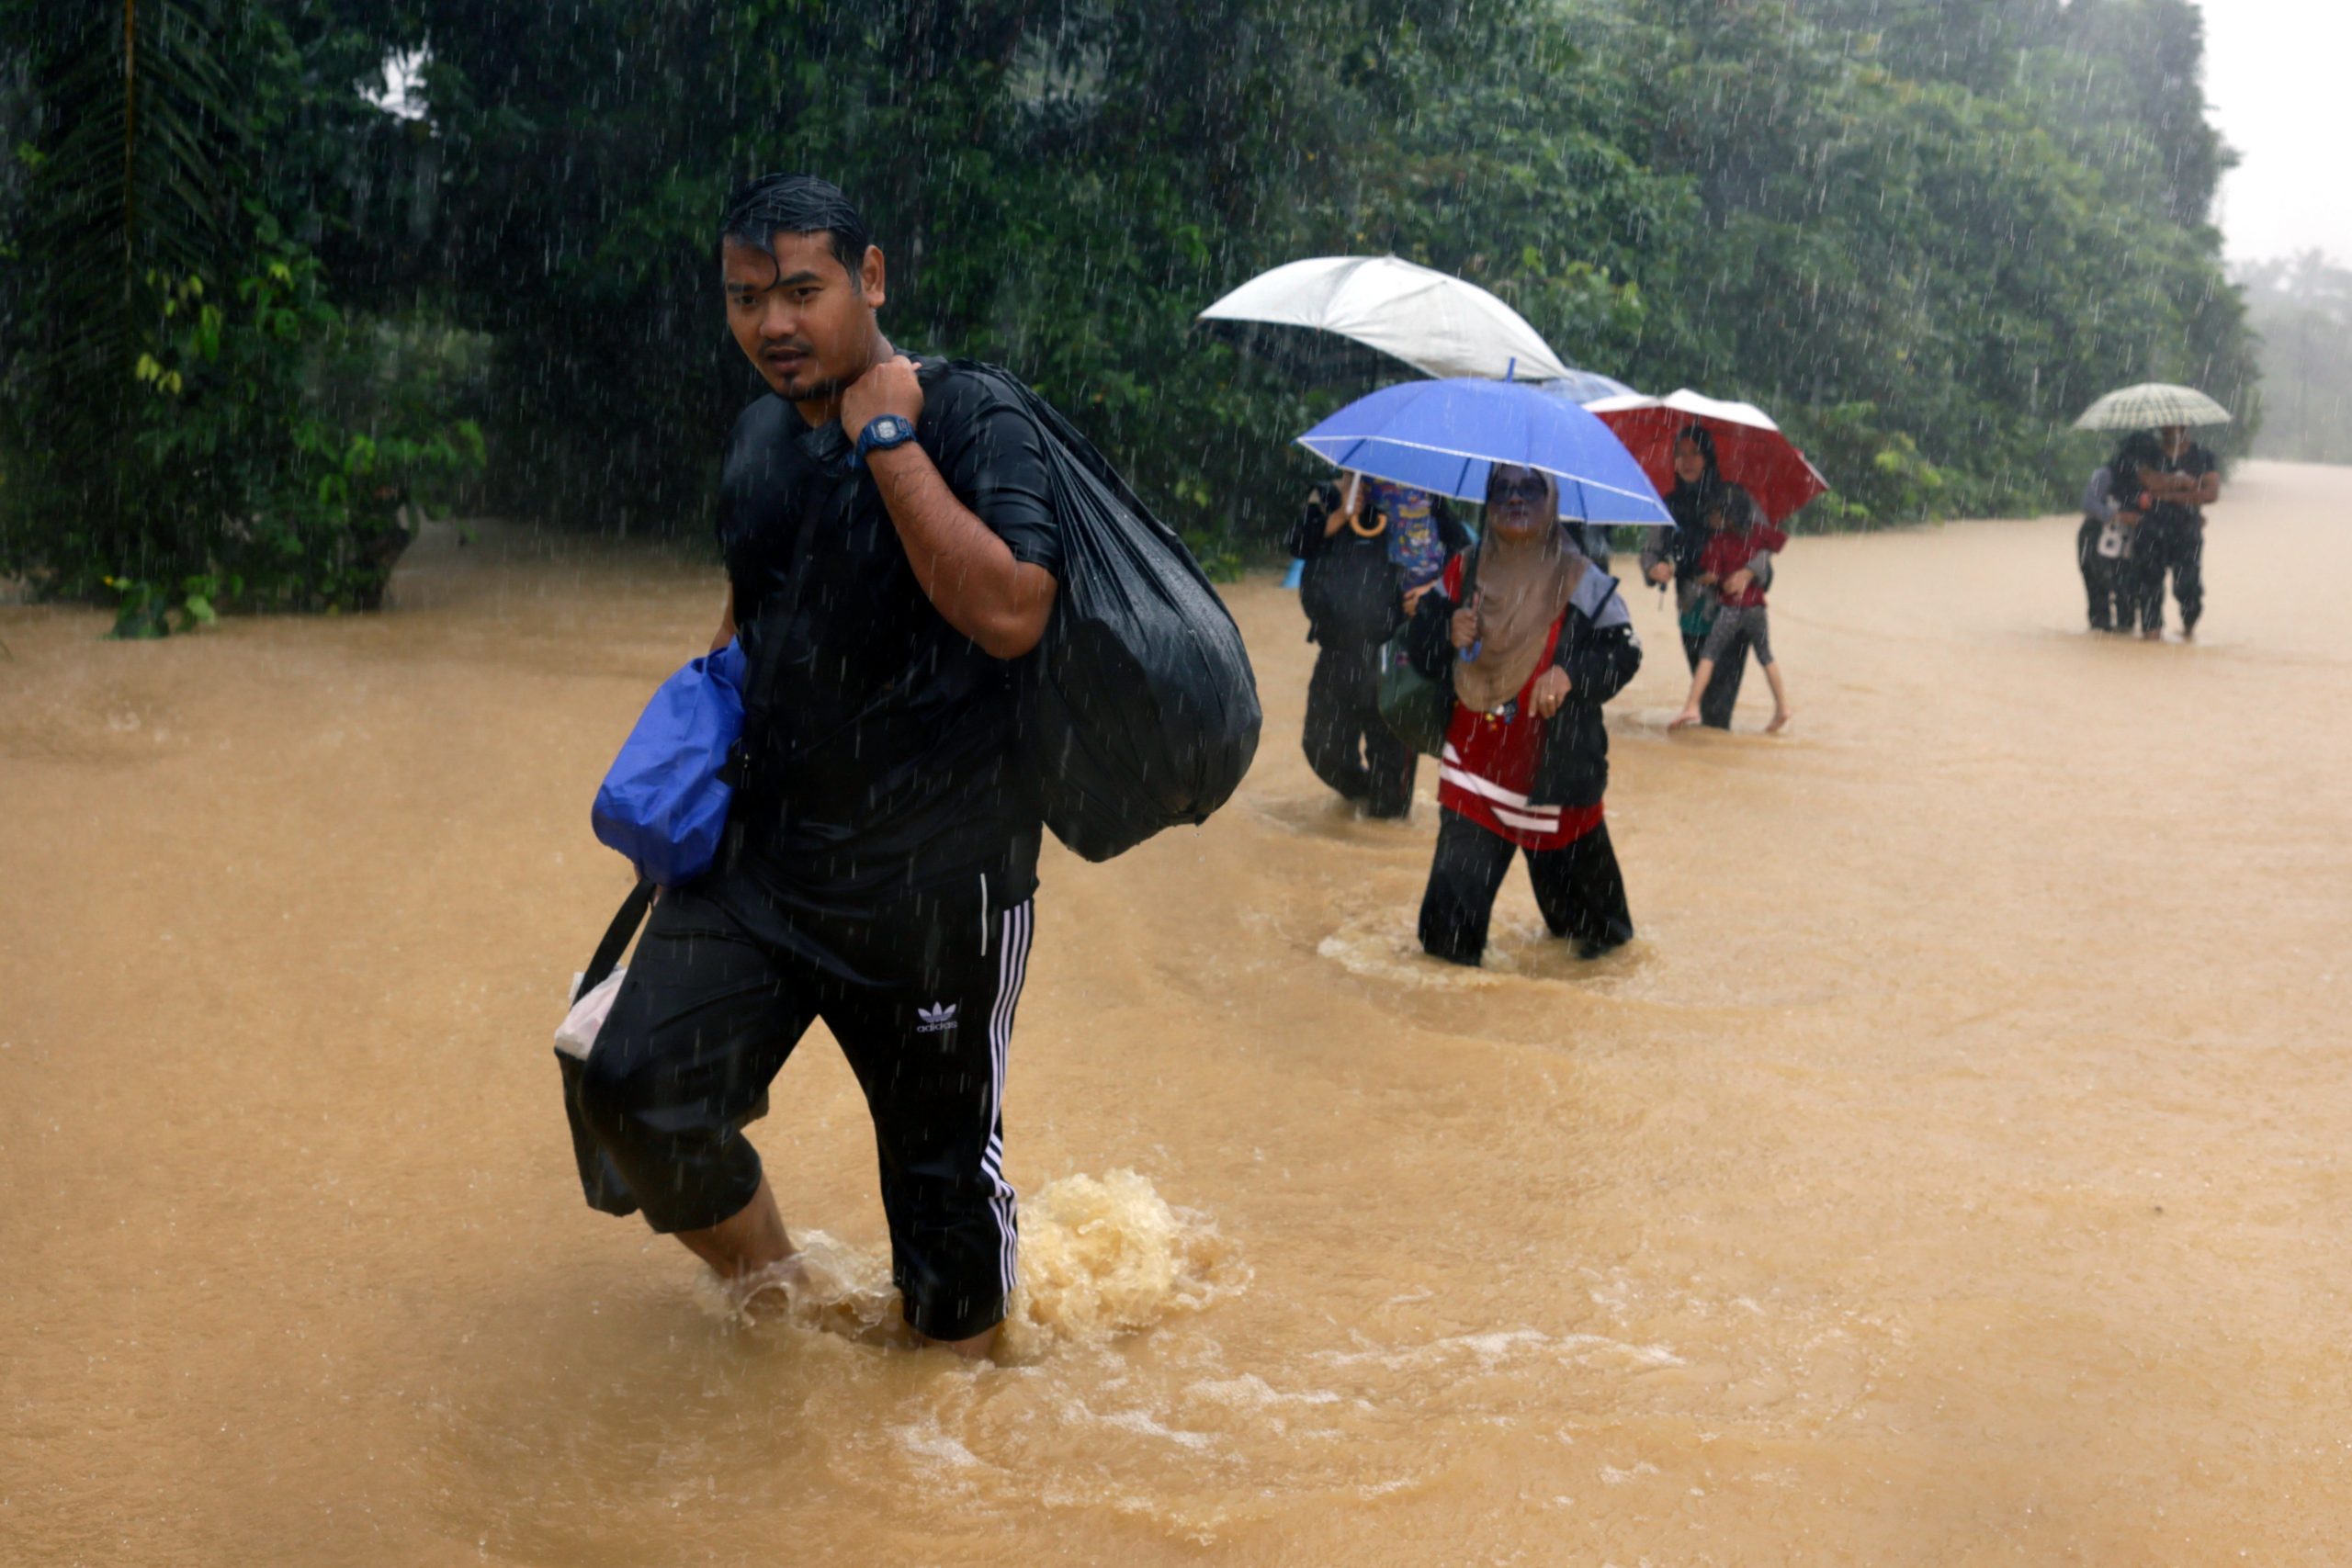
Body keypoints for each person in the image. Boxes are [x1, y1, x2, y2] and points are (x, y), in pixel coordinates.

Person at [576, 175, 1069, 1359]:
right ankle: (776, 1295)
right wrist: (689, 752)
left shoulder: (974, 418)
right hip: (768, 859)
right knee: (632, 1081)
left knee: (942, 1218)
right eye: (746, 298)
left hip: (939, 887)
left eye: (802, 289)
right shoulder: (755, 438)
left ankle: (953, 1440)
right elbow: (755, 606)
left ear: (873, 278)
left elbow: (1011, 613)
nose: (773, 325)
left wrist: (887, 438)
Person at [1402, 464, 1642, 966]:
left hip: (1556, 782)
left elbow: (1624, 654)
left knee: (1599, 947)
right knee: (1445, 952)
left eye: (1530, 488)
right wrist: (1445, 631)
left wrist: (1571, 675)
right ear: (1486, 504)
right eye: (1502, 490)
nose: (1514, 499)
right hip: (1474, 773)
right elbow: (1419, 649)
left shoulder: (1583, 579)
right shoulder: (1462, 570)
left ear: (1553, 501)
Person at [1286, 471, 1469, 818]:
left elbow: (1465, 557)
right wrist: (1340, 515)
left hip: (1399, 657)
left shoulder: (1422, 500)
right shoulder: (1325, 497)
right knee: (1322, 749)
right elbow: (1298, 544)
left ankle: (1381, 814)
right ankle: (1361, 798)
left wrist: (1433, 589)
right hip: (1338, 652)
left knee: (1391, 799)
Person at [1639, 425, 1773, 728]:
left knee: (1717, 707)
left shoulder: (1736, 498)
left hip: (1733, 609)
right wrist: (1654, 569)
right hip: (1691, 613)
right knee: (1709, 698)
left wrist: (1747, 571)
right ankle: (1713, 753)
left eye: (1695, 453)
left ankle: (1716, 760)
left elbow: (1765, 542)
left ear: (1708, 458)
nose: (1687, 461)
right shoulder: (1667, 505)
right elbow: (1650, 551)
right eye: (1680, 454)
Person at [1669, 492, 1792, 733]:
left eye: (1714, 513)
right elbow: (1779, 541)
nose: (1709, 518)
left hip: (1731, 609)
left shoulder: (1718, 542)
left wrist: (1694, 578)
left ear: (1726, 517)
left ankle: (1692, 705)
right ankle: (1782, 707)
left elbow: (1712, 576)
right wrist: (1750, 568)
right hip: (1757, 607)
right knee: (1766, 655)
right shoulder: (1756, 534)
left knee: (1709, 654)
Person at [2129, 423, 2222, 640]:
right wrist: (2184, 483)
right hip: (2151, 529)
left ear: (2186, 425)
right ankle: (2152, 632)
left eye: (2176, 424)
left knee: (2189, 586)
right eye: (2166, 424)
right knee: (2149, 585)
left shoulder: (2202, 456)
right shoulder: (2149, 453)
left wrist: (2167, 494)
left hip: (2187, 531)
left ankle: (2189, 628)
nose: (2170, 428)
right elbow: (2147, 481)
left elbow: (2211, 494)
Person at [2077, 435, 2154, 634]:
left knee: (2127, 601)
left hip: (2129, 545)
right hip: (2095, 540)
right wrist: (2118, 516)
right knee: (2098, 596)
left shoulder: (2151, 481)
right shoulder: (2106, 474)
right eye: (2142, 461)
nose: (2144, 466)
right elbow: (2089, 503)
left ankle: (2122, 646)